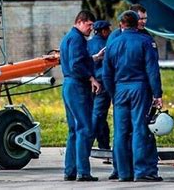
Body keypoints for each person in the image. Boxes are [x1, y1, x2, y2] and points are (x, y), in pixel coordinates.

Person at [102, 10, 163, 182]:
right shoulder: (145, 41)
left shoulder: (113, 44)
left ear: (121, 24)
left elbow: (106, 74)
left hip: (120, 89)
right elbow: (152, 70)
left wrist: (114, 93)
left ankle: (123, 172)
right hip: (139, 88)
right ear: (137, 24)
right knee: (139, 129)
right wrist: (157, 94)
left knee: (120, 132)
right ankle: (141, 171)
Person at [60, 10, 101, 182]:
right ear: (80, 22)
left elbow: (75, 61)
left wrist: (94, 58)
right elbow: (76, 64)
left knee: (73, 131)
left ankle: (70, 171)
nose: (91, 29)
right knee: (84, 128)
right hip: (78, 86)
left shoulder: (68, 38)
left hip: (68, 85)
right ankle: (83, 172)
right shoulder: (77, 39)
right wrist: (91, 77)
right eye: (89, 25)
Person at [87, 20, 112, 150]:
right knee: (98, 116)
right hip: (102, 85)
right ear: (103, 31)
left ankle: (104, 146)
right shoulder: (108, 45)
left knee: (98, 116)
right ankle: (87, 144)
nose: (110, 32)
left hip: (89, 84)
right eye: (108, 30)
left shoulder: (87, 44)